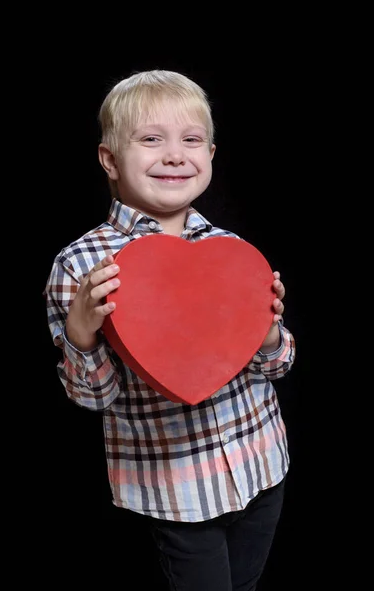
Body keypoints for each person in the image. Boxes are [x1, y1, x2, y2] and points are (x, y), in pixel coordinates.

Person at [44, 70, 296, 591]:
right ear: (110, 159)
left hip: (262, 463)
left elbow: (277, 366)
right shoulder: (81, 265)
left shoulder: (234, 251)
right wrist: (82, 333)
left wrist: (269, 332)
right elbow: (94, 398)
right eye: (151, 139)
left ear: (211, 154)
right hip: (177, 488)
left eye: (191, 140)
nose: (175, 154)